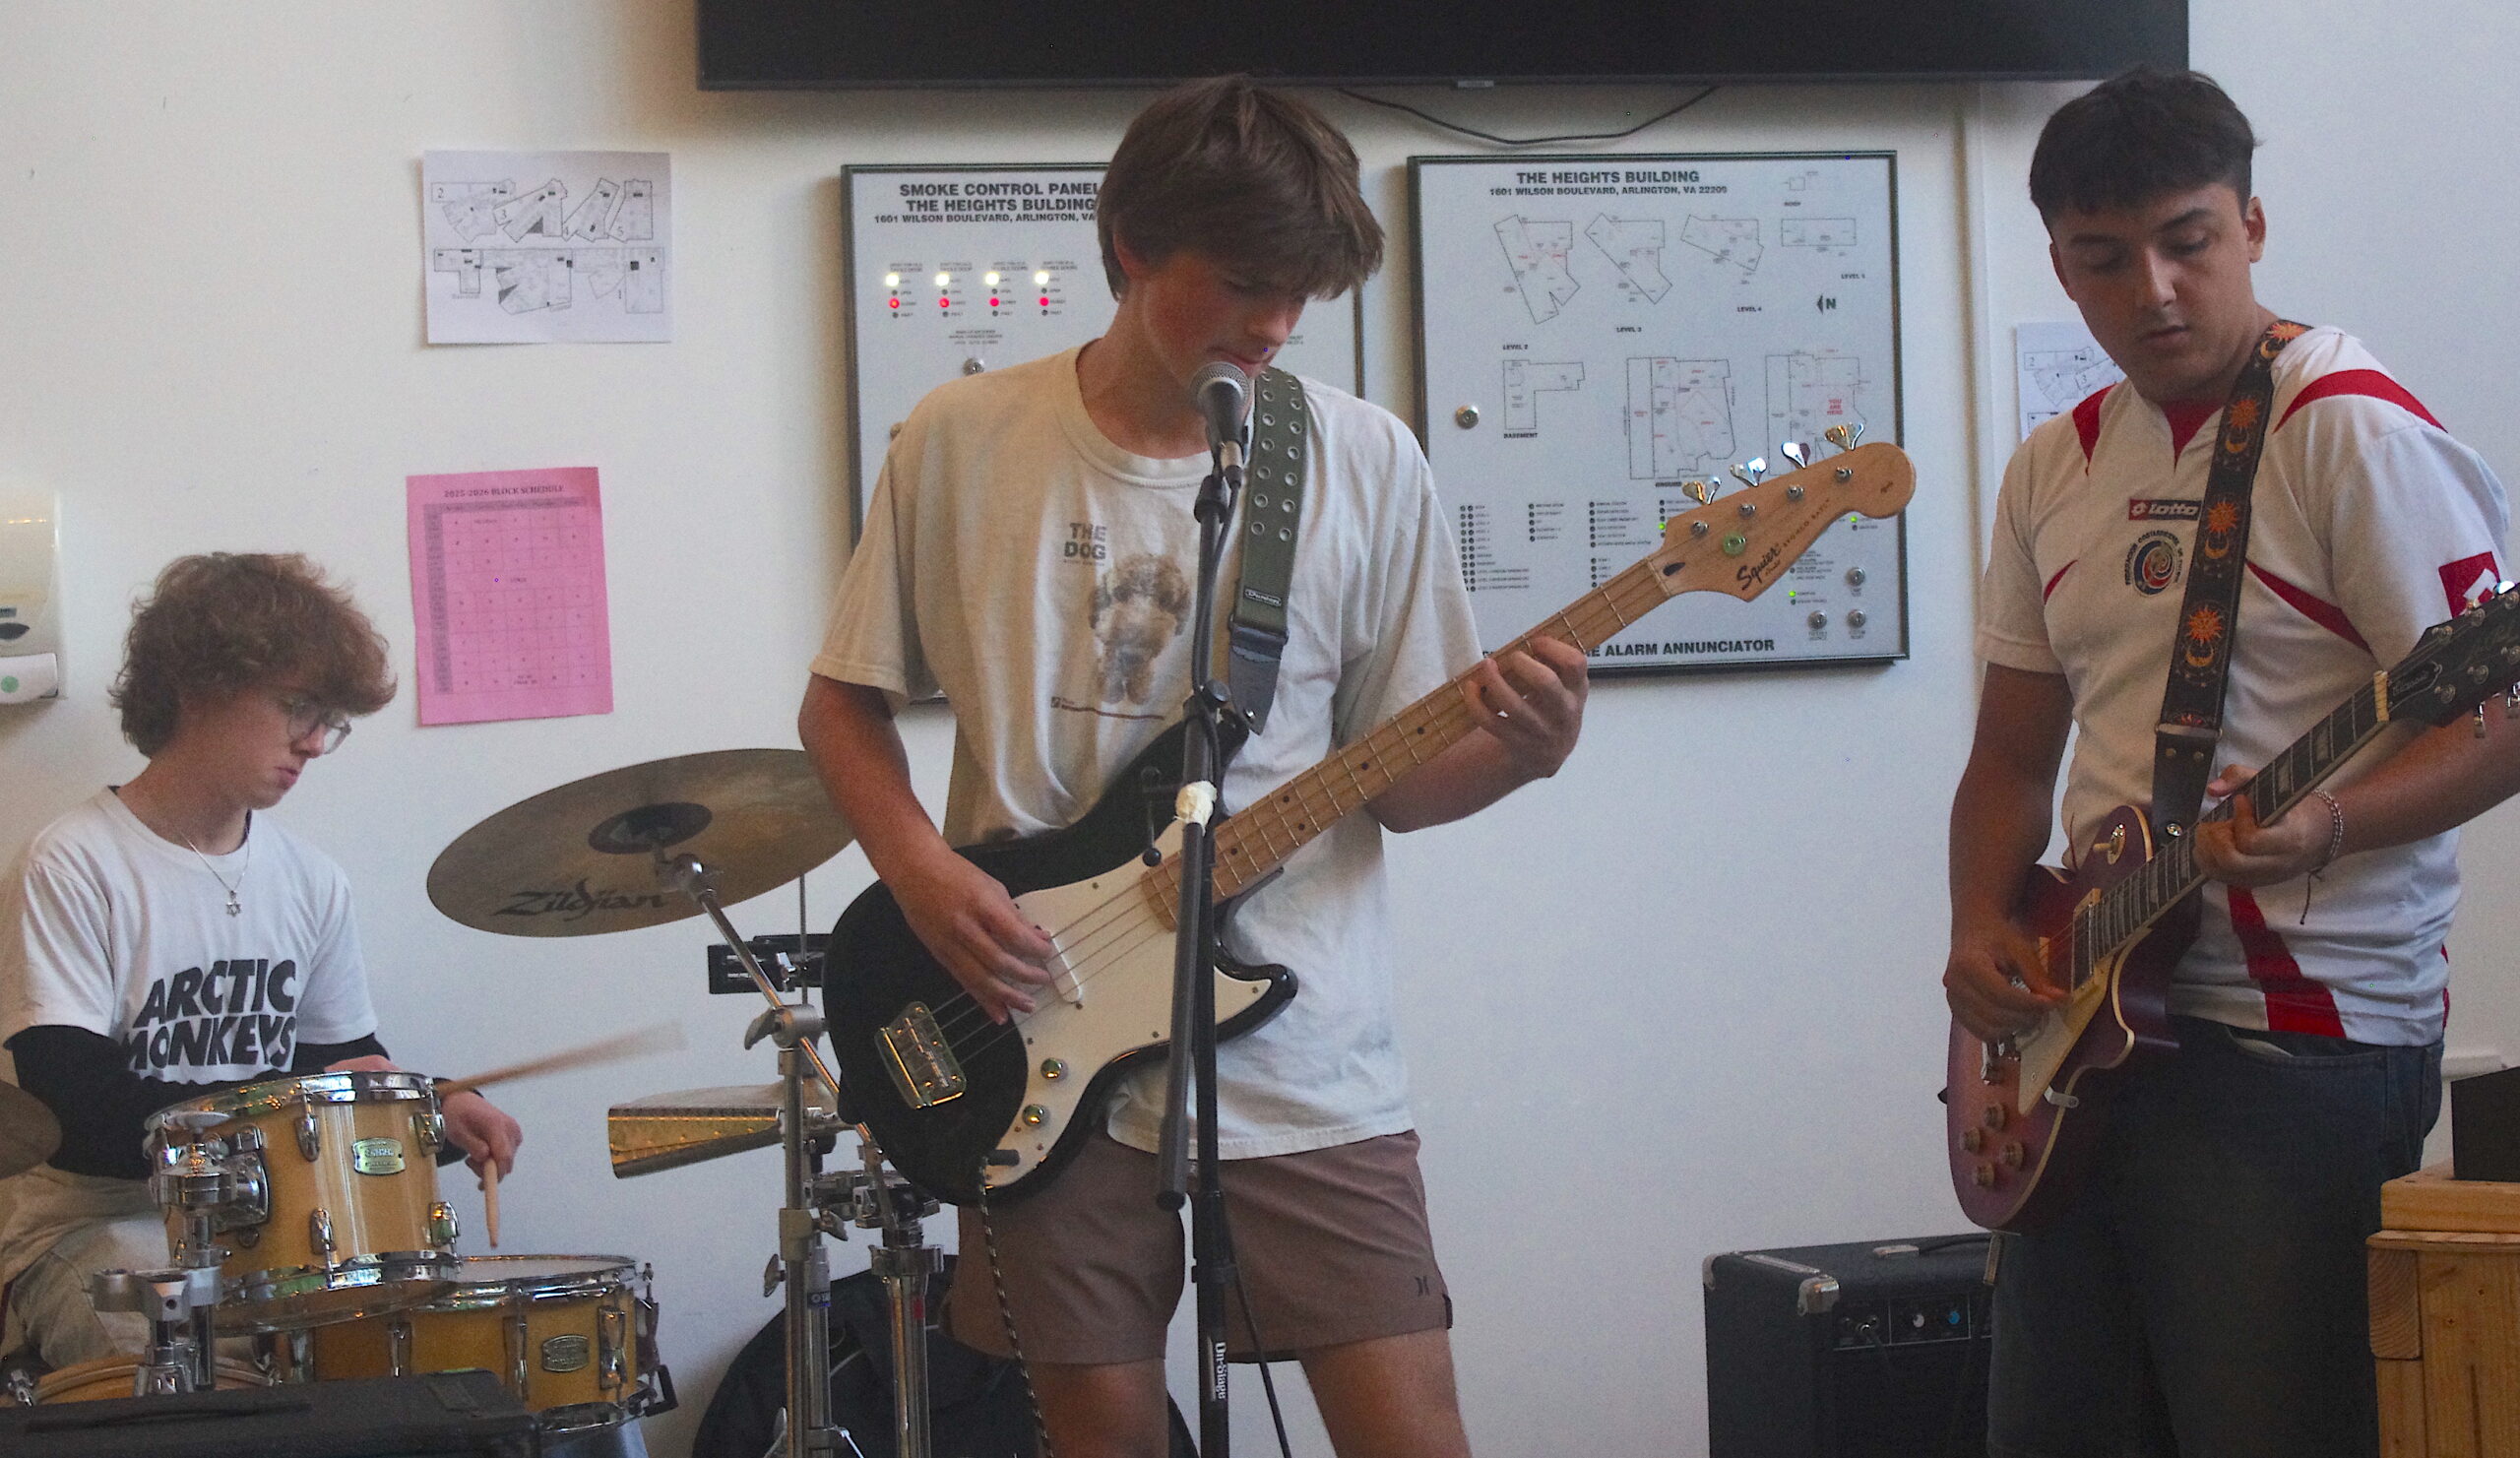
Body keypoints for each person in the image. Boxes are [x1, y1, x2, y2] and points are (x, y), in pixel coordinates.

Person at [799, 76, 1587, 1458]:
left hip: (1306, 1058)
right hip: (1029, 1028)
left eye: (1299, 294)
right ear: (1127, 247)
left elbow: (1396, 779)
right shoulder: (960, 440)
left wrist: (1522, 757)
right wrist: (922, 876)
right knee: (1104, 1436)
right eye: (1239, 285)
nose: (1273, 325)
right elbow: (839, 709)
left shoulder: (1361, 460)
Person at [1944, 69, 2520, 1457]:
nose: (2152, 288)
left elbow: (2498, 716)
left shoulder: (2352, 431)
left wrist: (2332, 823)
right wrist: (1977, 925)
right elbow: (2014, 757)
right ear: (2063, 272)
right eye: (2104, 258)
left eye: (2187, 240)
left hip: (2300, 1050)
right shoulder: (2054, 463)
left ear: (2252, 225)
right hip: (2083, 1031)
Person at [0, 552, 522, 1369]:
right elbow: (79, 1117)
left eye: (330, 718)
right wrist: (281, 1105)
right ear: (200, 685)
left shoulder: (311, 881)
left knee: (417, 1352)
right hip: (98, 1223)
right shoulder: (72, 862)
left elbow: (333, 1067)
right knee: (194, 1356)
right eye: (297, 707)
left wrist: (430, 1112)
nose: (315, 742)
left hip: (270, 1234)